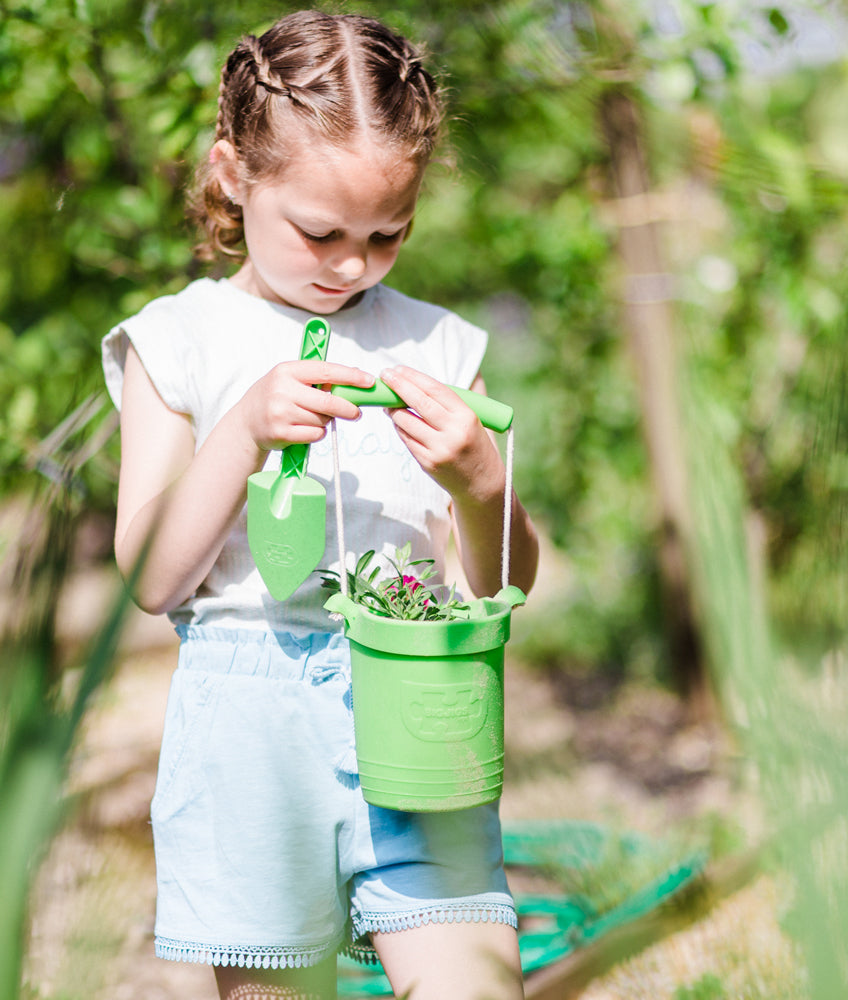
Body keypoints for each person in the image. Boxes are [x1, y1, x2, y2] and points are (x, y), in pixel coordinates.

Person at [102, 10, 539, 999]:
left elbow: (501, 581)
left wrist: (481, 482)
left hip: (422, 699)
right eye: (320, 231)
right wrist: (242, 431)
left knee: (474, 978)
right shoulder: (182, 342)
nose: (350, 264)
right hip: (251, 728)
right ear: (231, 171)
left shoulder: (434, 346)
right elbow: (150, 577)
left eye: (389, 234)